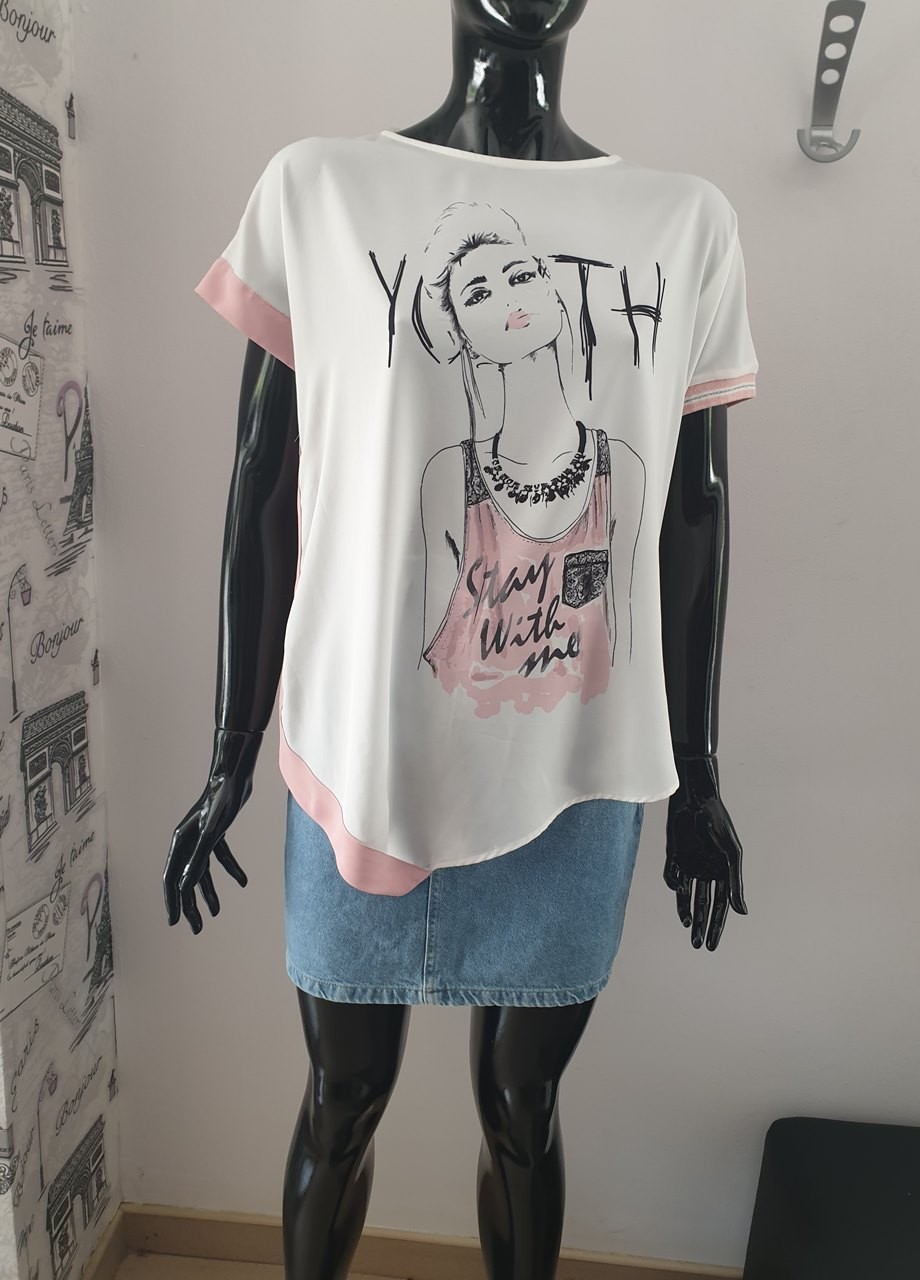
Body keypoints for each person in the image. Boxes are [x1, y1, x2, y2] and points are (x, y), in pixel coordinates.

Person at [164, 3, 757, 1277]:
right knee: (341, 1097)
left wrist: (697, 776)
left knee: (523, 1112)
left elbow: (694, 514)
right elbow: (263, 488)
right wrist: (227, 755)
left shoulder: (684, 222)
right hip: (363, 759)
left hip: (573, 774)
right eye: (473, 288)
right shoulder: (317, 190)